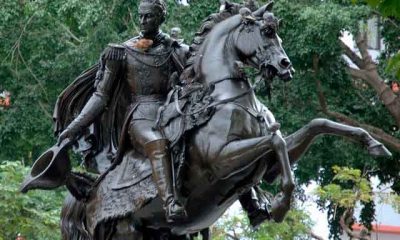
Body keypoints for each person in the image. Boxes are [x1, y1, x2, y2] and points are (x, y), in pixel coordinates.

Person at [58, 0, 188, 222]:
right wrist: (74, 128)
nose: (143, 21)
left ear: (161, 18)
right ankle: (170, 203)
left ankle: (250, 199)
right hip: (140, 117)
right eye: (141, 16)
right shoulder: (121, 52)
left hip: (173, 112)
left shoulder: (175, 50)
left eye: (149, 16)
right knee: (157, 143)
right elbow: (101, 97)